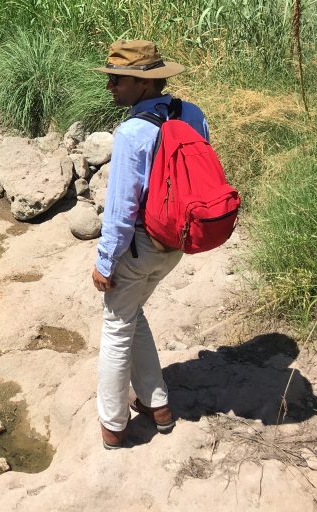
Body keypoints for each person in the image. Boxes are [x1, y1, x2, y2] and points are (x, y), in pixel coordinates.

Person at [90, 40, 209, 450]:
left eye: (116, 79)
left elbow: (122, 210)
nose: (109, 87)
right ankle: (157, 404)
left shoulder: (133, 132)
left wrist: (105, 262)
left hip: (141, 246)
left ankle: (113, 425)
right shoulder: (191, 113)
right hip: (176, 242)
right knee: (132, 310)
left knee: (117, 325)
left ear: (142, 84)